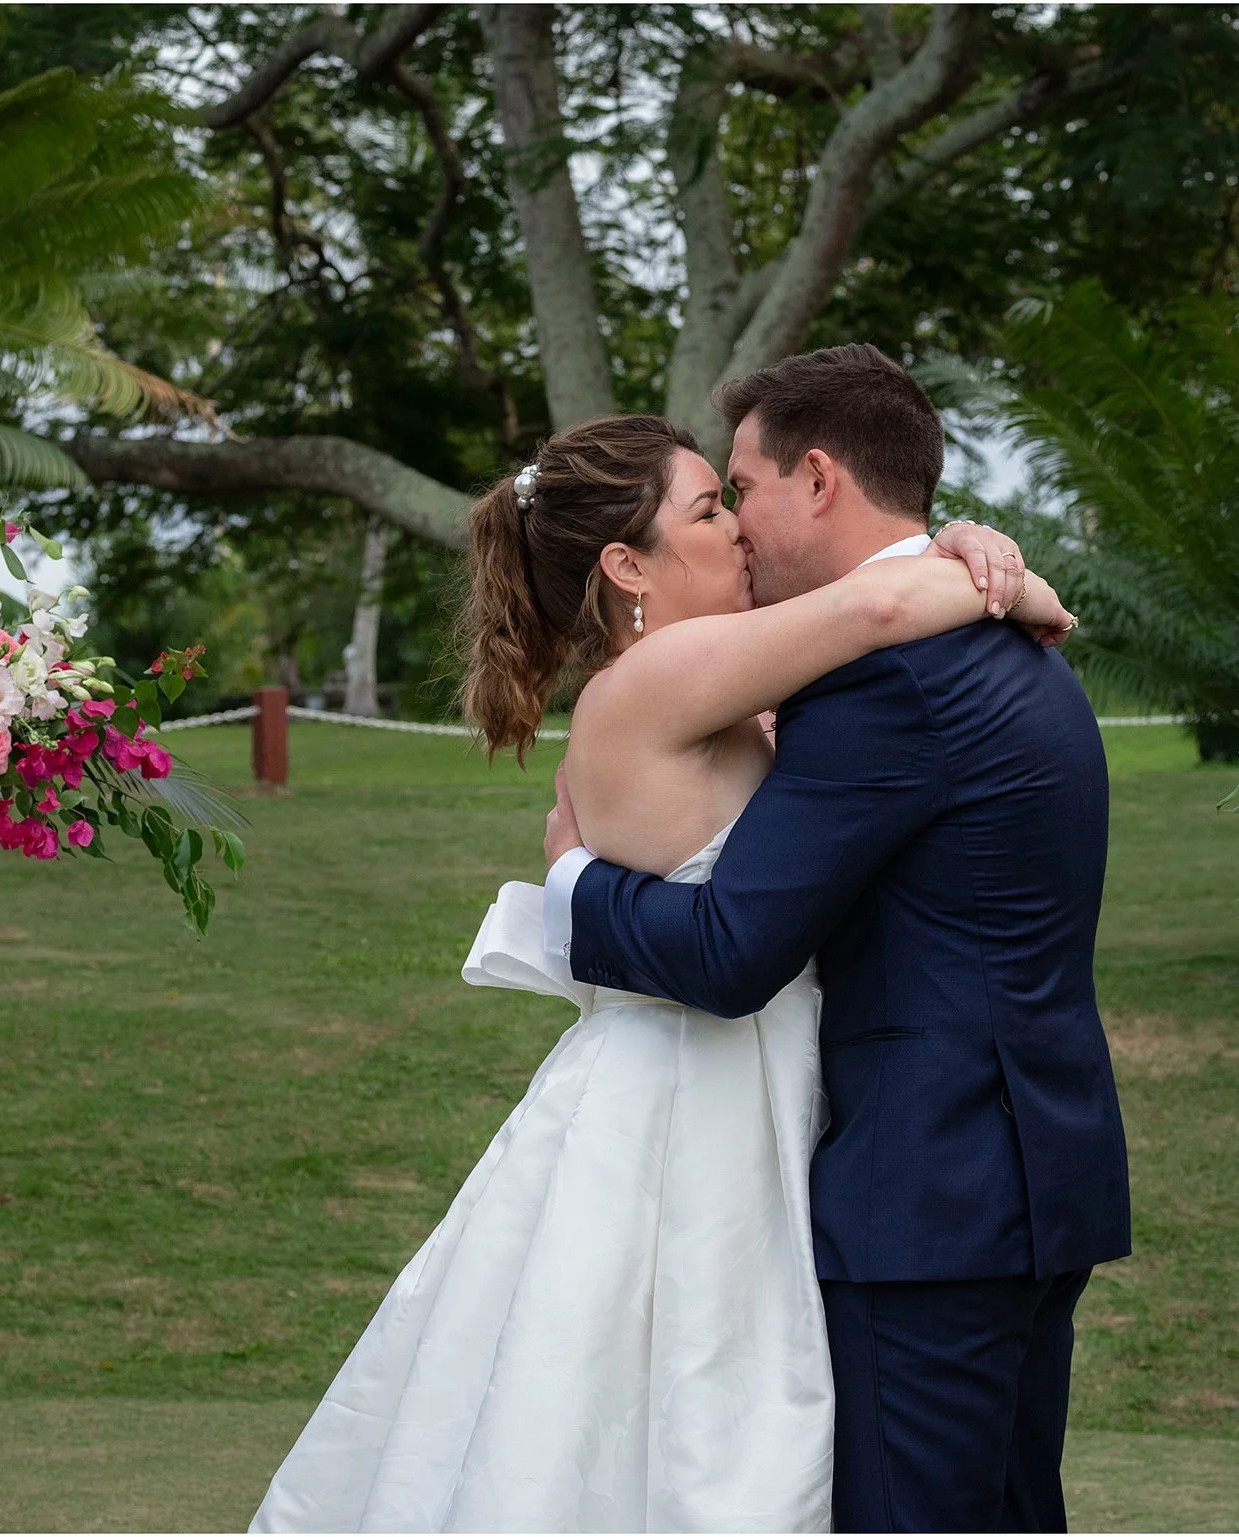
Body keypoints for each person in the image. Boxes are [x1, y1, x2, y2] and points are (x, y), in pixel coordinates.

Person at [250, 401, 1073, 1533]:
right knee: (687, 1420)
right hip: (695, 1095)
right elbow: (882, 600)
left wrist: (965, 537)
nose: (738, 530)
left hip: (726, 1078)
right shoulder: (663, 672)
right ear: (626, 564)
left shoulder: (708, 683)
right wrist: (1006, 577)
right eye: (707, 507)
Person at [545, 344, 1131, 1532]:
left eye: (741, 489)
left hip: (928, 1200)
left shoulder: (893, 679)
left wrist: (570, 887)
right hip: (1019, 1170)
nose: (739, 522)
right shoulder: (995, 632)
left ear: (816, 479)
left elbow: (725, 953)